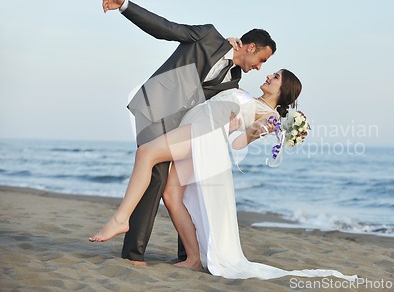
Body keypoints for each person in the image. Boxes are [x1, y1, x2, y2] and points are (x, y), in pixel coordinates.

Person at [89, 70, 358, 282]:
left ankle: (120, 218)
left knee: (146, 154)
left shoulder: (269, 116)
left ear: (282, 89)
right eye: (272, 73)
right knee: (172, 196)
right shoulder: (251, 97)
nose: (268, 76)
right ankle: (193, 258)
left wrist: (255, 131)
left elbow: (239, 144)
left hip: (203, 135)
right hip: (199, 131)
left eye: (275, 77)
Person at [101, 0, 277, 265]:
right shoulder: (209, 36)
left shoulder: (232, 81)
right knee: (157, 176)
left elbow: (218, 109)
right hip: (154, 107)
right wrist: (126, 7)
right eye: (262, 60)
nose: (259, 67)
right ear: (250, 47)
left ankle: (188, 255)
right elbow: (166, 29)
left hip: (179, 125)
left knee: (181, 185)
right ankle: (133, 253)